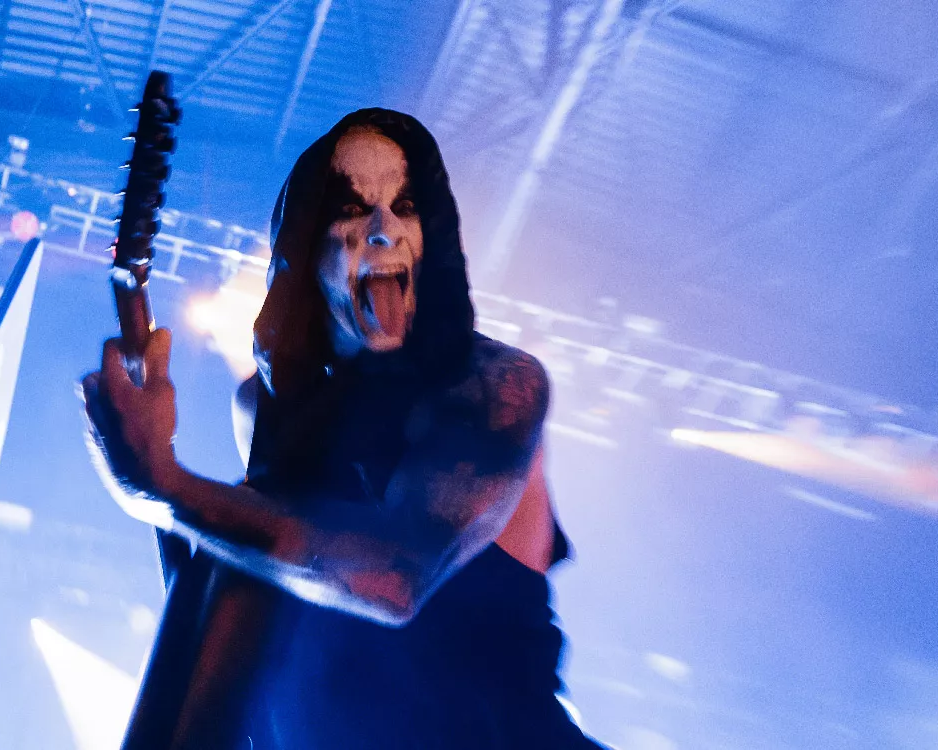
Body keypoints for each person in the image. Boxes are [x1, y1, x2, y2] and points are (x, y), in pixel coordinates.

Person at [83, 109, 599, 749]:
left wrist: (160, 485)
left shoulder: (495, 387)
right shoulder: (266, 408)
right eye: (352, 210)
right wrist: (162, 486)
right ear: (305, 247)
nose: (384, 230)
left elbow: (395, 580)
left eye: (405, 206)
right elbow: (250, 602)